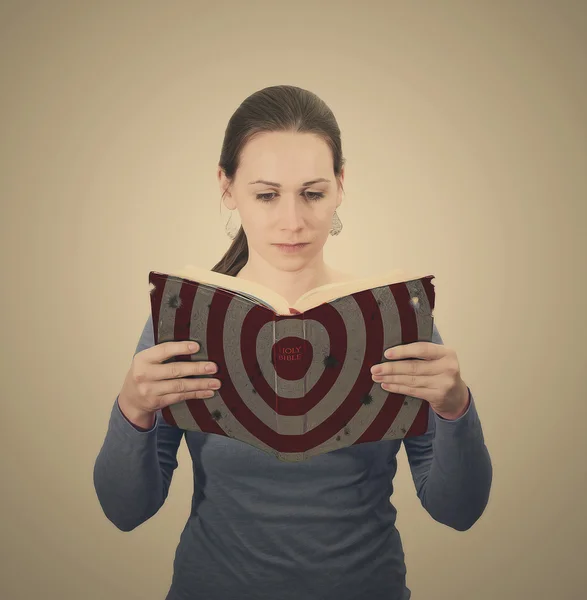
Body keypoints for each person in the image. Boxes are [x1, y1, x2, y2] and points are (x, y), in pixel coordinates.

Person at [93, 85, 493, 600]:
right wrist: (132, 408)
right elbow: (126, 511)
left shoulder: (393, 319)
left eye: (313, 192)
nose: (292, 222)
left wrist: (456, 407)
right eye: (265, 194)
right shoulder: (187, 321)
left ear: (341, 185)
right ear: (226, 186)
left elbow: (458, 511)